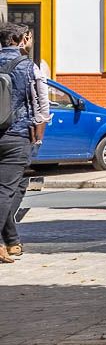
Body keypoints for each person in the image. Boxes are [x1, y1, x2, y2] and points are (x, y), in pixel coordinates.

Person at [0, 22, 37, 263]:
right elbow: (37, 104)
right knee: (6, 190)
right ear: (21, 39)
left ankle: (12, 242)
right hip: (15, 134)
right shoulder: (26, 66)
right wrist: (38, 134)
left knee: (9, 189)